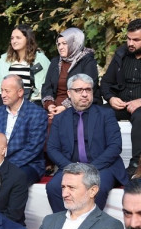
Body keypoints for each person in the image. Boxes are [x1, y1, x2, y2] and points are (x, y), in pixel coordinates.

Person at [46, 73, 127, 212]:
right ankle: (64, 225)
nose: (84, 94)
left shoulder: (106, 114)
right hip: (70, 166)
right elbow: (52, 148)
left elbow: (115, 146)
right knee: (53, 187)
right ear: (69, 93)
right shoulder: (60, 119)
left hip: (102, 166)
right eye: (79, 90)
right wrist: (70, 167)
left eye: (88, 90)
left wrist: (90, 168)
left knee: (96, 189)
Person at [0, 74, 48, 182]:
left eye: (7, 91)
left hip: (28, 164)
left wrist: (4, 166)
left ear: (20, 92)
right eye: (2, 90)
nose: (3, 95)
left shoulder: (37, 113)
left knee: (11, 178)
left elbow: (33, 148)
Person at [100, 18, 141, 173]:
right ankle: (99, 160)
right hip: (121, 103)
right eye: (128, 38)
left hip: (140, 109)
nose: (130, 43)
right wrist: (110, 98)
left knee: (140, 116)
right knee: (98, 113)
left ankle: (136, 165)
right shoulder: (121, 54)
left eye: (136, 40)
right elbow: (105, 83)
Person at [0, 25, 50, 109]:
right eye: (12, 38)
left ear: (28, 39)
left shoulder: (41, 60)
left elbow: (47, 87)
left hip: (30, 100)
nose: (14, 41)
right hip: (8, 101)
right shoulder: (4, 60)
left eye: (18, 38)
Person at [42, 27, 100, 119]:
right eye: (59, 44)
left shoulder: (87, 61)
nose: (60, 47)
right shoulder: (55, 61)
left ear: (74, 43)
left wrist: (64, 106)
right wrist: (50, 105)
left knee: (59, 121)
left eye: (64, 43)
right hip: (55, 106)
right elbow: (47, 86)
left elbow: (87, 88)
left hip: (80, 105)